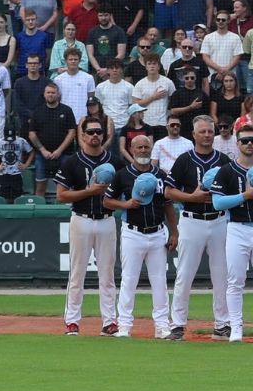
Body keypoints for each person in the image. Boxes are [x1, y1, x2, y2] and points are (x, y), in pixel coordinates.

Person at [206, 125, 253, 343]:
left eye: (252, 140)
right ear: (237, 144)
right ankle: (236, 327)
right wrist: (245, 195)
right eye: (245, 141)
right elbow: (217, 202)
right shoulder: (227, 170)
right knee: (235, 280)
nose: (249, 144)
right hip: (237, 228)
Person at [162, 115, 234, 340]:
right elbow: (168, 191)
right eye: (202, 131)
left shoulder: (223, 159)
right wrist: (191, 197)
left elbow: (233, 190)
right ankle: (178, 324)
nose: (207, 135)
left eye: (210, 131)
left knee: (221, 274)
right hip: (191, 219)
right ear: (193, 135)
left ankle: (222, 324)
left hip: (219, 219)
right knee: (185, 273)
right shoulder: (185, 159)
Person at [54, 116, 123, 335]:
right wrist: (89, 192)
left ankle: (109, 321)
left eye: (98, 132)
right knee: (77, 273)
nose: (95, 136)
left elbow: (123, 191)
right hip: (81, 219)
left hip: (106, 219)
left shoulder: (115, 161)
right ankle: (72, 321)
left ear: (104, 136)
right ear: (82, 135)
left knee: (107, 274)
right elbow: (61, 196)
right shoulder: (72, 162)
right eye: (90, 132)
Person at [104, 130, 175, 340]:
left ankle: (162, 325)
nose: (143, 150)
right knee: (129, 279)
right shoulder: (122, 175)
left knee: (159, 280)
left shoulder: (161, 175)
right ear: (131, 150)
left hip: (157, 232)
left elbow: (169, 206)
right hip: (133, 232)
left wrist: (175, 232)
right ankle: (124, 324)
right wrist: (124, 204)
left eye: (146, 147)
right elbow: (106, 201)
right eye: (139, 147)